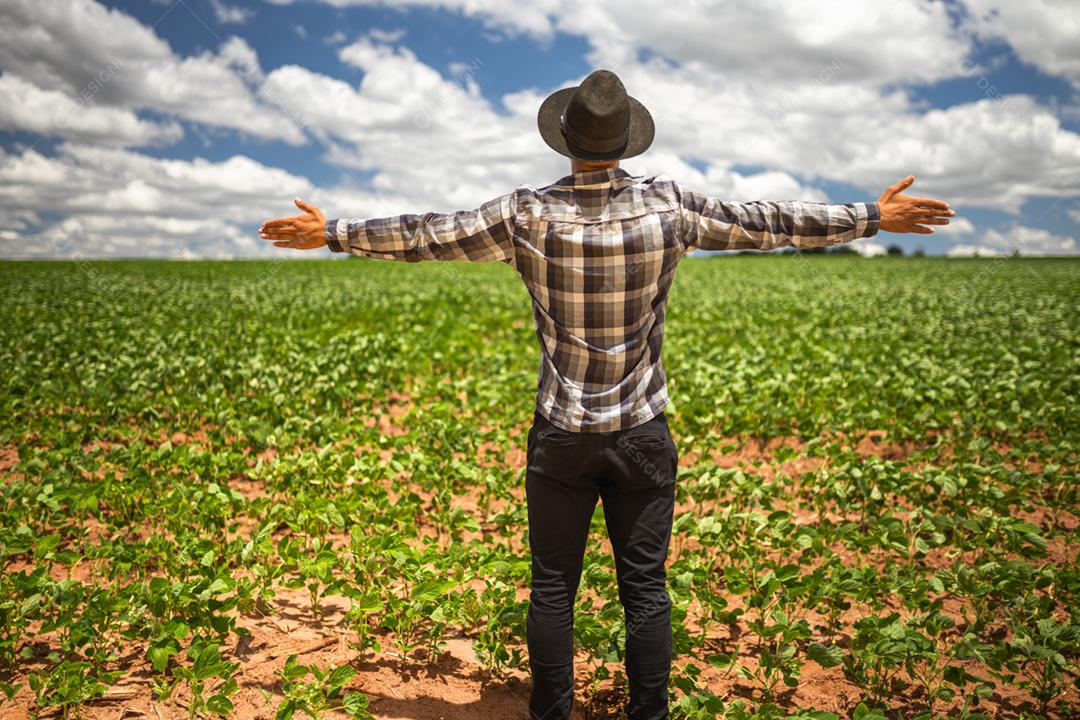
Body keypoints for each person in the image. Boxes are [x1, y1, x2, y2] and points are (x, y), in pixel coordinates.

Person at [259, 69, 953, 720]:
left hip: (561, 433)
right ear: (625, 142)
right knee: (645, 590)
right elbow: (770, 222)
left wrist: (333, 233)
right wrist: (868, 216)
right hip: (642, 433)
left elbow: (428, 234)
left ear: (565, 140)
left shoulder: (525, 214)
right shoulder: (670, 206)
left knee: (553, 587)